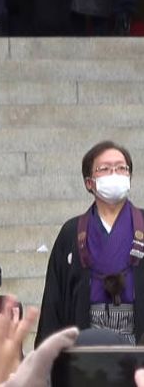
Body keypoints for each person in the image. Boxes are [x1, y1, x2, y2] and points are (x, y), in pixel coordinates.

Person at [37, 141, 144, 344]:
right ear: (89, 182)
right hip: (85, 340)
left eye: (122, 168)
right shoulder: (71, 232)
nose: (115, 174)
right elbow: (54, 298)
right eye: (105, 169)